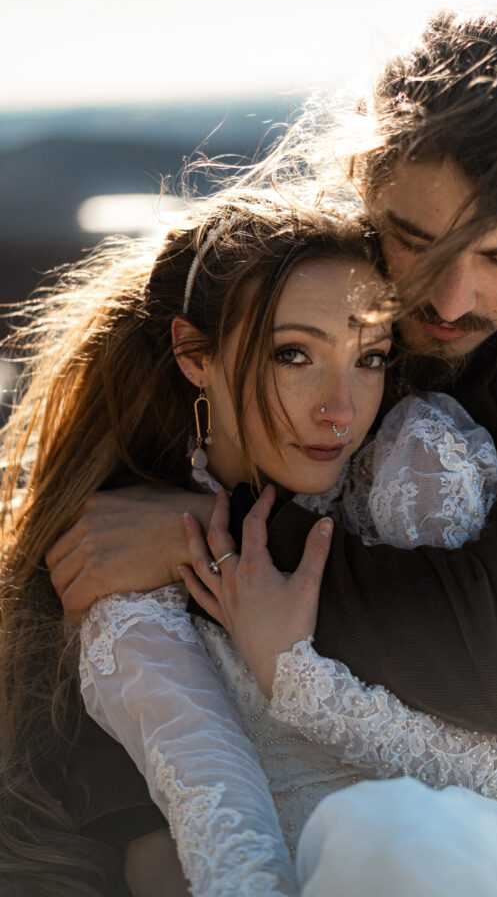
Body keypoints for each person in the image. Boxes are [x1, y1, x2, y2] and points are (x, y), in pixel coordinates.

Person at [46, 9, 497, 880]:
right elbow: (103, 565)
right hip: (269, 774)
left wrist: (207, 533)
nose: (452, 299)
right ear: (360, 185)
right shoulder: (298, 287)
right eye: (416, 242)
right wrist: (138, 832)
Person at [0, 190, 389, 896]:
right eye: (293, 354)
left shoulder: (411, 470)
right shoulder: (115, 563)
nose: (341, 408)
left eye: (370, 358)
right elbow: (176, 844)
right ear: (192, 353)